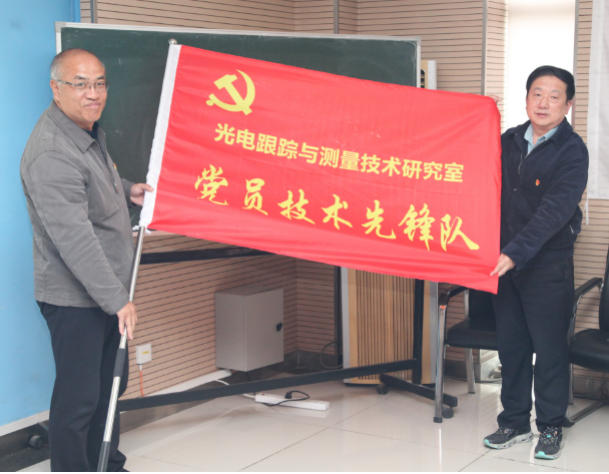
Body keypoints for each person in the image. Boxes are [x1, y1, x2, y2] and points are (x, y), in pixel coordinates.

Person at [20, 48, 153, 472]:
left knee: (109, 389)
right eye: (80, 84)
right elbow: (74, 239)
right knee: (80, 400)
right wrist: (117, 299)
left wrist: (127, 189)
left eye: (99, 83)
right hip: (77, 300)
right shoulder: (52, 152)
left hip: (106, 292)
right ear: (56, 89)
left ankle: (107, 464)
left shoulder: (85, 131)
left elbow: (92, 183)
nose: (92, 93)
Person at [483, 66, 588, 460]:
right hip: (505, 264)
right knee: (511, 348)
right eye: (537, 94)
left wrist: (515, 252)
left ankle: (550, 426)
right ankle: (513, 421)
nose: (544, 103)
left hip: (546, 265)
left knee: (549, 351)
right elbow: (477, 180)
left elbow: (554, 212)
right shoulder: (509, 140)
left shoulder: (572, 150)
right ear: (526, 99)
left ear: (568, 104)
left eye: (554, 96)